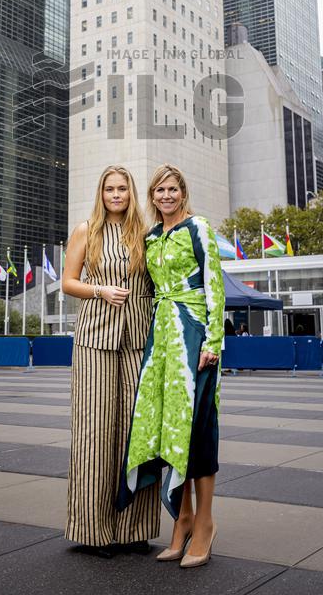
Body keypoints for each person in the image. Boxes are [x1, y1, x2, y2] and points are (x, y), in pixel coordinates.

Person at [117, 164, 224, 569]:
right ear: (151, 196)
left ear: (183, 192)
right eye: (159, 190)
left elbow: (214, 285)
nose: (166, 195)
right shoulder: (150, 237)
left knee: (198, 429)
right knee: (166, 431)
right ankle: (182, 521)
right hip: (160, 341)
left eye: (172, 189)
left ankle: (206, 523)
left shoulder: (199, 228)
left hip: (195, 335)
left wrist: (213, 341)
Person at [63, 165, 160, 557]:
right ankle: (94, 531)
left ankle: (135, 528)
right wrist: (99, 290)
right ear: (101, 193)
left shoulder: (147, 234)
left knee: (138, 433)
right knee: (95, 433)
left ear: (131, 193)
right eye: (109, 189)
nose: (116, 194)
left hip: (138, 339)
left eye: (122, 188)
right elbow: (68, 282)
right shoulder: (86, 230)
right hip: (95, 339)